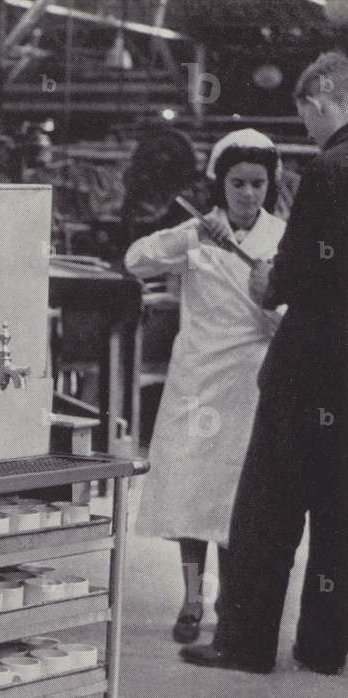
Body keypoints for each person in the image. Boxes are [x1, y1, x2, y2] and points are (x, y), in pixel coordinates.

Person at [181, 52, 348, 675]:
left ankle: (246, 644)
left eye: (303, 115)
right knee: (339, 513)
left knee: (266, 511)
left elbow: (292, 277)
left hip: (307, 369)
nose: (305, 128)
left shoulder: (329, 171)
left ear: (316, 103)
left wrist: (266, 279)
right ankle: (325, 646)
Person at [126, 129, 286, 643]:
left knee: (238, 497)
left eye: (258, 183)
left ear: (270, 184)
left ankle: (229, 601)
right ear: (221, 184)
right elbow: (136, 260)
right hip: (197, 379)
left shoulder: (283, 237)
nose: (247, 193)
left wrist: (277, 309)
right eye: (238, 183)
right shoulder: (196, 234)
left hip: (251, 380)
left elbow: (304, 305)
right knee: (191, 496)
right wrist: (187, 236)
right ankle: (192, 597)